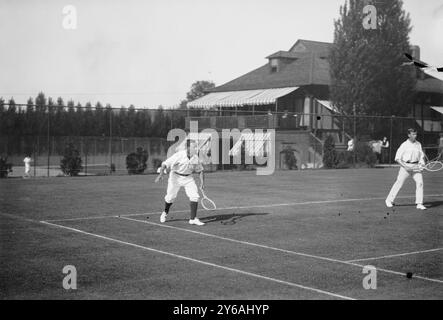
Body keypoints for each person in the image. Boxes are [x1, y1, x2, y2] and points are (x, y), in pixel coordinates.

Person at [155, 139, 205, 226]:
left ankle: (193, 219)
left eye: (196, 147)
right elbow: (165, 164)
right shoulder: (179, 155)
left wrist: (202, 183)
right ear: (188, 147)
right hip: (175, 177)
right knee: (170, 197)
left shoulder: (195, 157)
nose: (196, 148)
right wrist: (161, 174)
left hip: (188, 178)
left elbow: (200, 171)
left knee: (195, 196)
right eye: (194, 146)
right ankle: (165, 212)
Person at [386, 128, 426, 210]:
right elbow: (397, 158)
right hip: (405, 167)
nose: (415, 135)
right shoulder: (404, 145)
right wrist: (405, 166)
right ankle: (389, 200)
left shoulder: (418, 144)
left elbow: (421, 157)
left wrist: (422, 164)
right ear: (409, 135)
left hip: (416, 167)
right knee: (399, 183)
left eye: (416, 134)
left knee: (420, 183)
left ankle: (419, 203)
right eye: (413, 134)